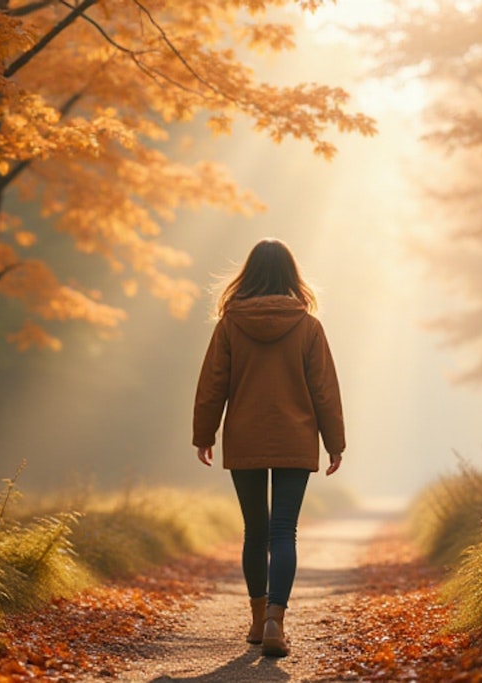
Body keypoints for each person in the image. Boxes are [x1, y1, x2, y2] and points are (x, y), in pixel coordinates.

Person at [192, 238, 346, 658]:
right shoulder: (309, 326)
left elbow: (212, 386)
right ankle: (277, 619)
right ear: (290, 276)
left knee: (255, 531)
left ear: (250, 274)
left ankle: (258, 620)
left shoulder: (229, 324)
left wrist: (204, 435)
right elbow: (325, 391)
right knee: (283, 531)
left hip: (245, 435)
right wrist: (335, 443)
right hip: (295, 437)